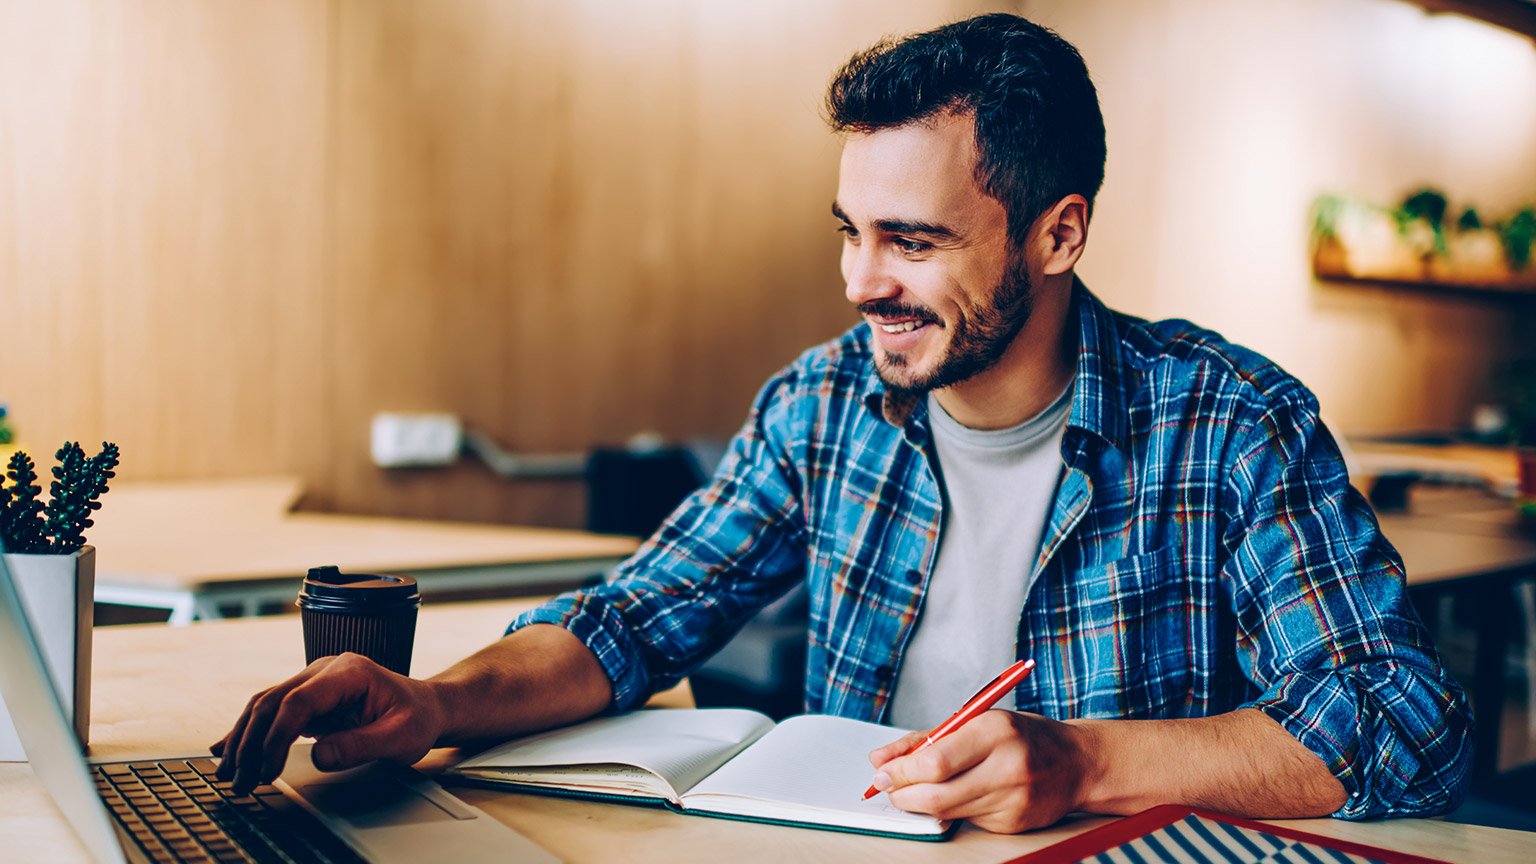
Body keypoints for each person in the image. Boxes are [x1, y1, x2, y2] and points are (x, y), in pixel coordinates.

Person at [213, 14, 1471, 834]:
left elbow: (1402, 718)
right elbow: (631, 622)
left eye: (913, 242)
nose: (862, 282)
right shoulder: (823, 403)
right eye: (852, 232)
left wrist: (1086, 765)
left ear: (1060, 233)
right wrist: (433, 703)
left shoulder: (1230, 423)